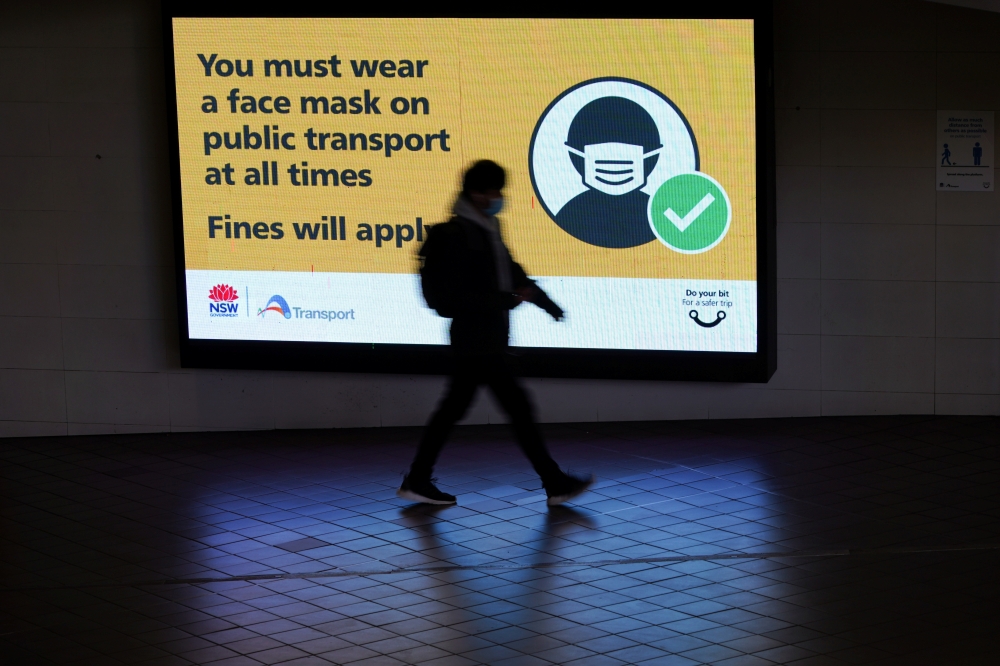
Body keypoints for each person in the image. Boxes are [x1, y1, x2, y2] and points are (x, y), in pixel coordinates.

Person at [397, 160, 594, 507]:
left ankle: (418, 478)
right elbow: (452, 299)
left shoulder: (488, 228)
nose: (499, 197)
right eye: (494, 191)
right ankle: (554, 483)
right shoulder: (459, 236)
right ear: (476, 193)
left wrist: (547, 304)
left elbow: (513, 272)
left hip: (485, 341)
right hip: (477, 343)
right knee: (516, 410)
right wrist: (506, 300)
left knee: (457, 411)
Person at [555, 96, 663, 249]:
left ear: (652, 155)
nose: (614, 160)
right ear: (575, 153)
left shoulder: (657, 216)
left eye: (629, 143)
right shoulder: (572, 214)